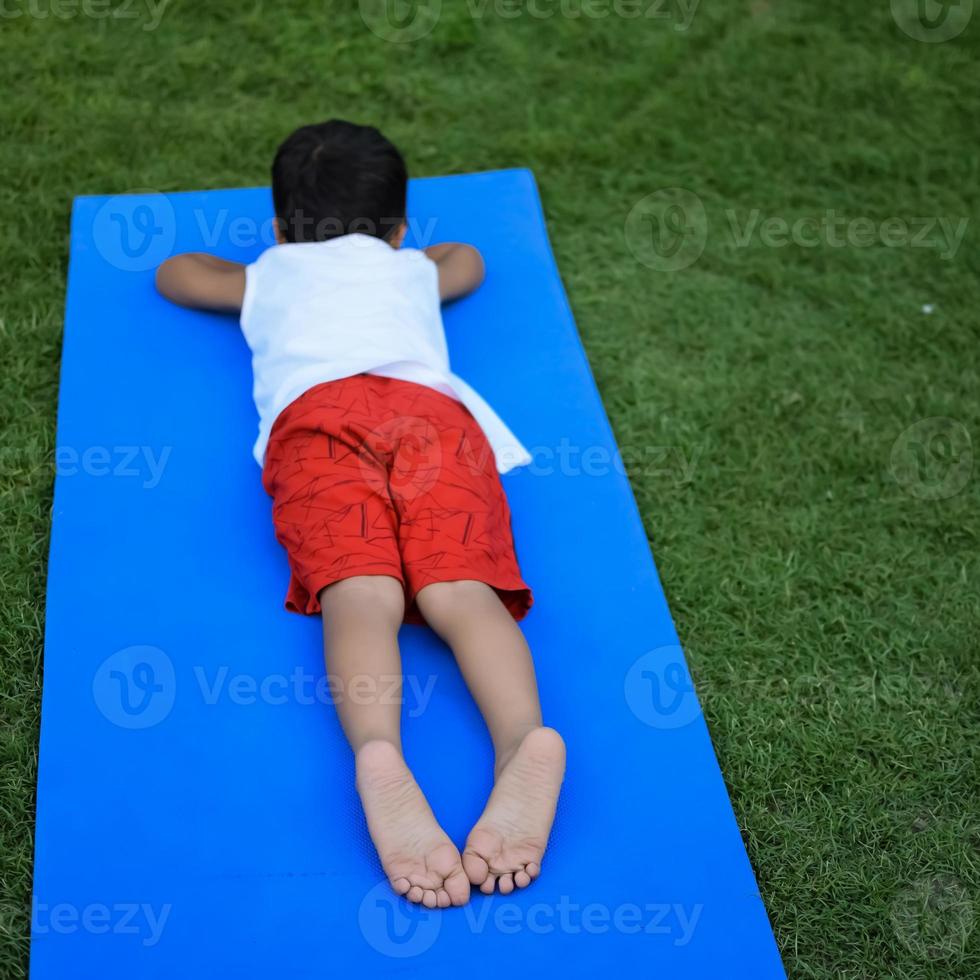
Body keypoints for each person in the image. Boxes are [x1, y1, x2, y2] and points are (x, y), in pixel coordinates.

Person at [155, 119, 565, 909]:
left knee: (362, 591)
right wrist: (406, 260)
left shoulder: (271, 273)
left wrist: (259, 265)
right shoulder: (409, 270)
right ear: (400, 227)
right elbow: (467, 262)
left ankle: (381, 752)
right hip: (434, 418)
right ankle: (523, 742)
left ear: (279, 229)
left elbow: (178, 275)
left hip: (319, 421)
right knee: (459, 592)